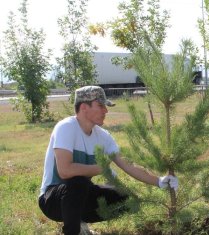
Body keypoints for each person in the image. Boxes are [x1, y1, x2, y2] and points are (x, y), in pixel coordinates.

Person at [38, 86, 179, 235]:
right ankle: (73, 231)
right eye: (100, 106)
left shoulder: (102, 136)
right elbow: (65, 171)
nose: (106, 111)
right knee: (79, 182)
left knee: (127, 198)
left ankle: (79, 221)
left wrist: (159, 181)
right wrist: (100, 168)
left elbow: (127, 164)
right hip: (52, 200)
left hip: (80, 195)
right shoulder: (66, 127)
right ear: (84, 107)